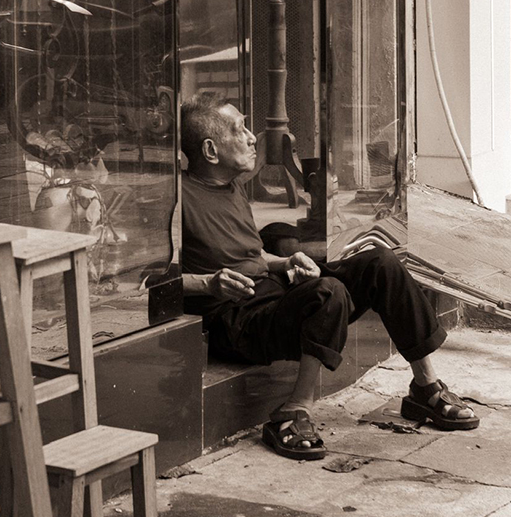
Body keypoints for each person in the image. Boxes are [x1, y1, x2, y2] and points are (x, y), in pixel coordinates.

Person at [180, 92, 479, 460]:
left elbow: (252, 255)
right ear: (210, 151)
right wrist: (208, 283)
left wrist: (285, 263)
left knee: (381, 263)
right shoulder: (179, 199)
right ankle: (293, 411)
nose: (252, 137)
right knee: (329, 291)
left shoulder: (232, 187)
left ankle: (425, 387)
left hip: (271, 292)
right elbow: (149, 284)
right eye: (239, 129)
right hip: (235, 317)